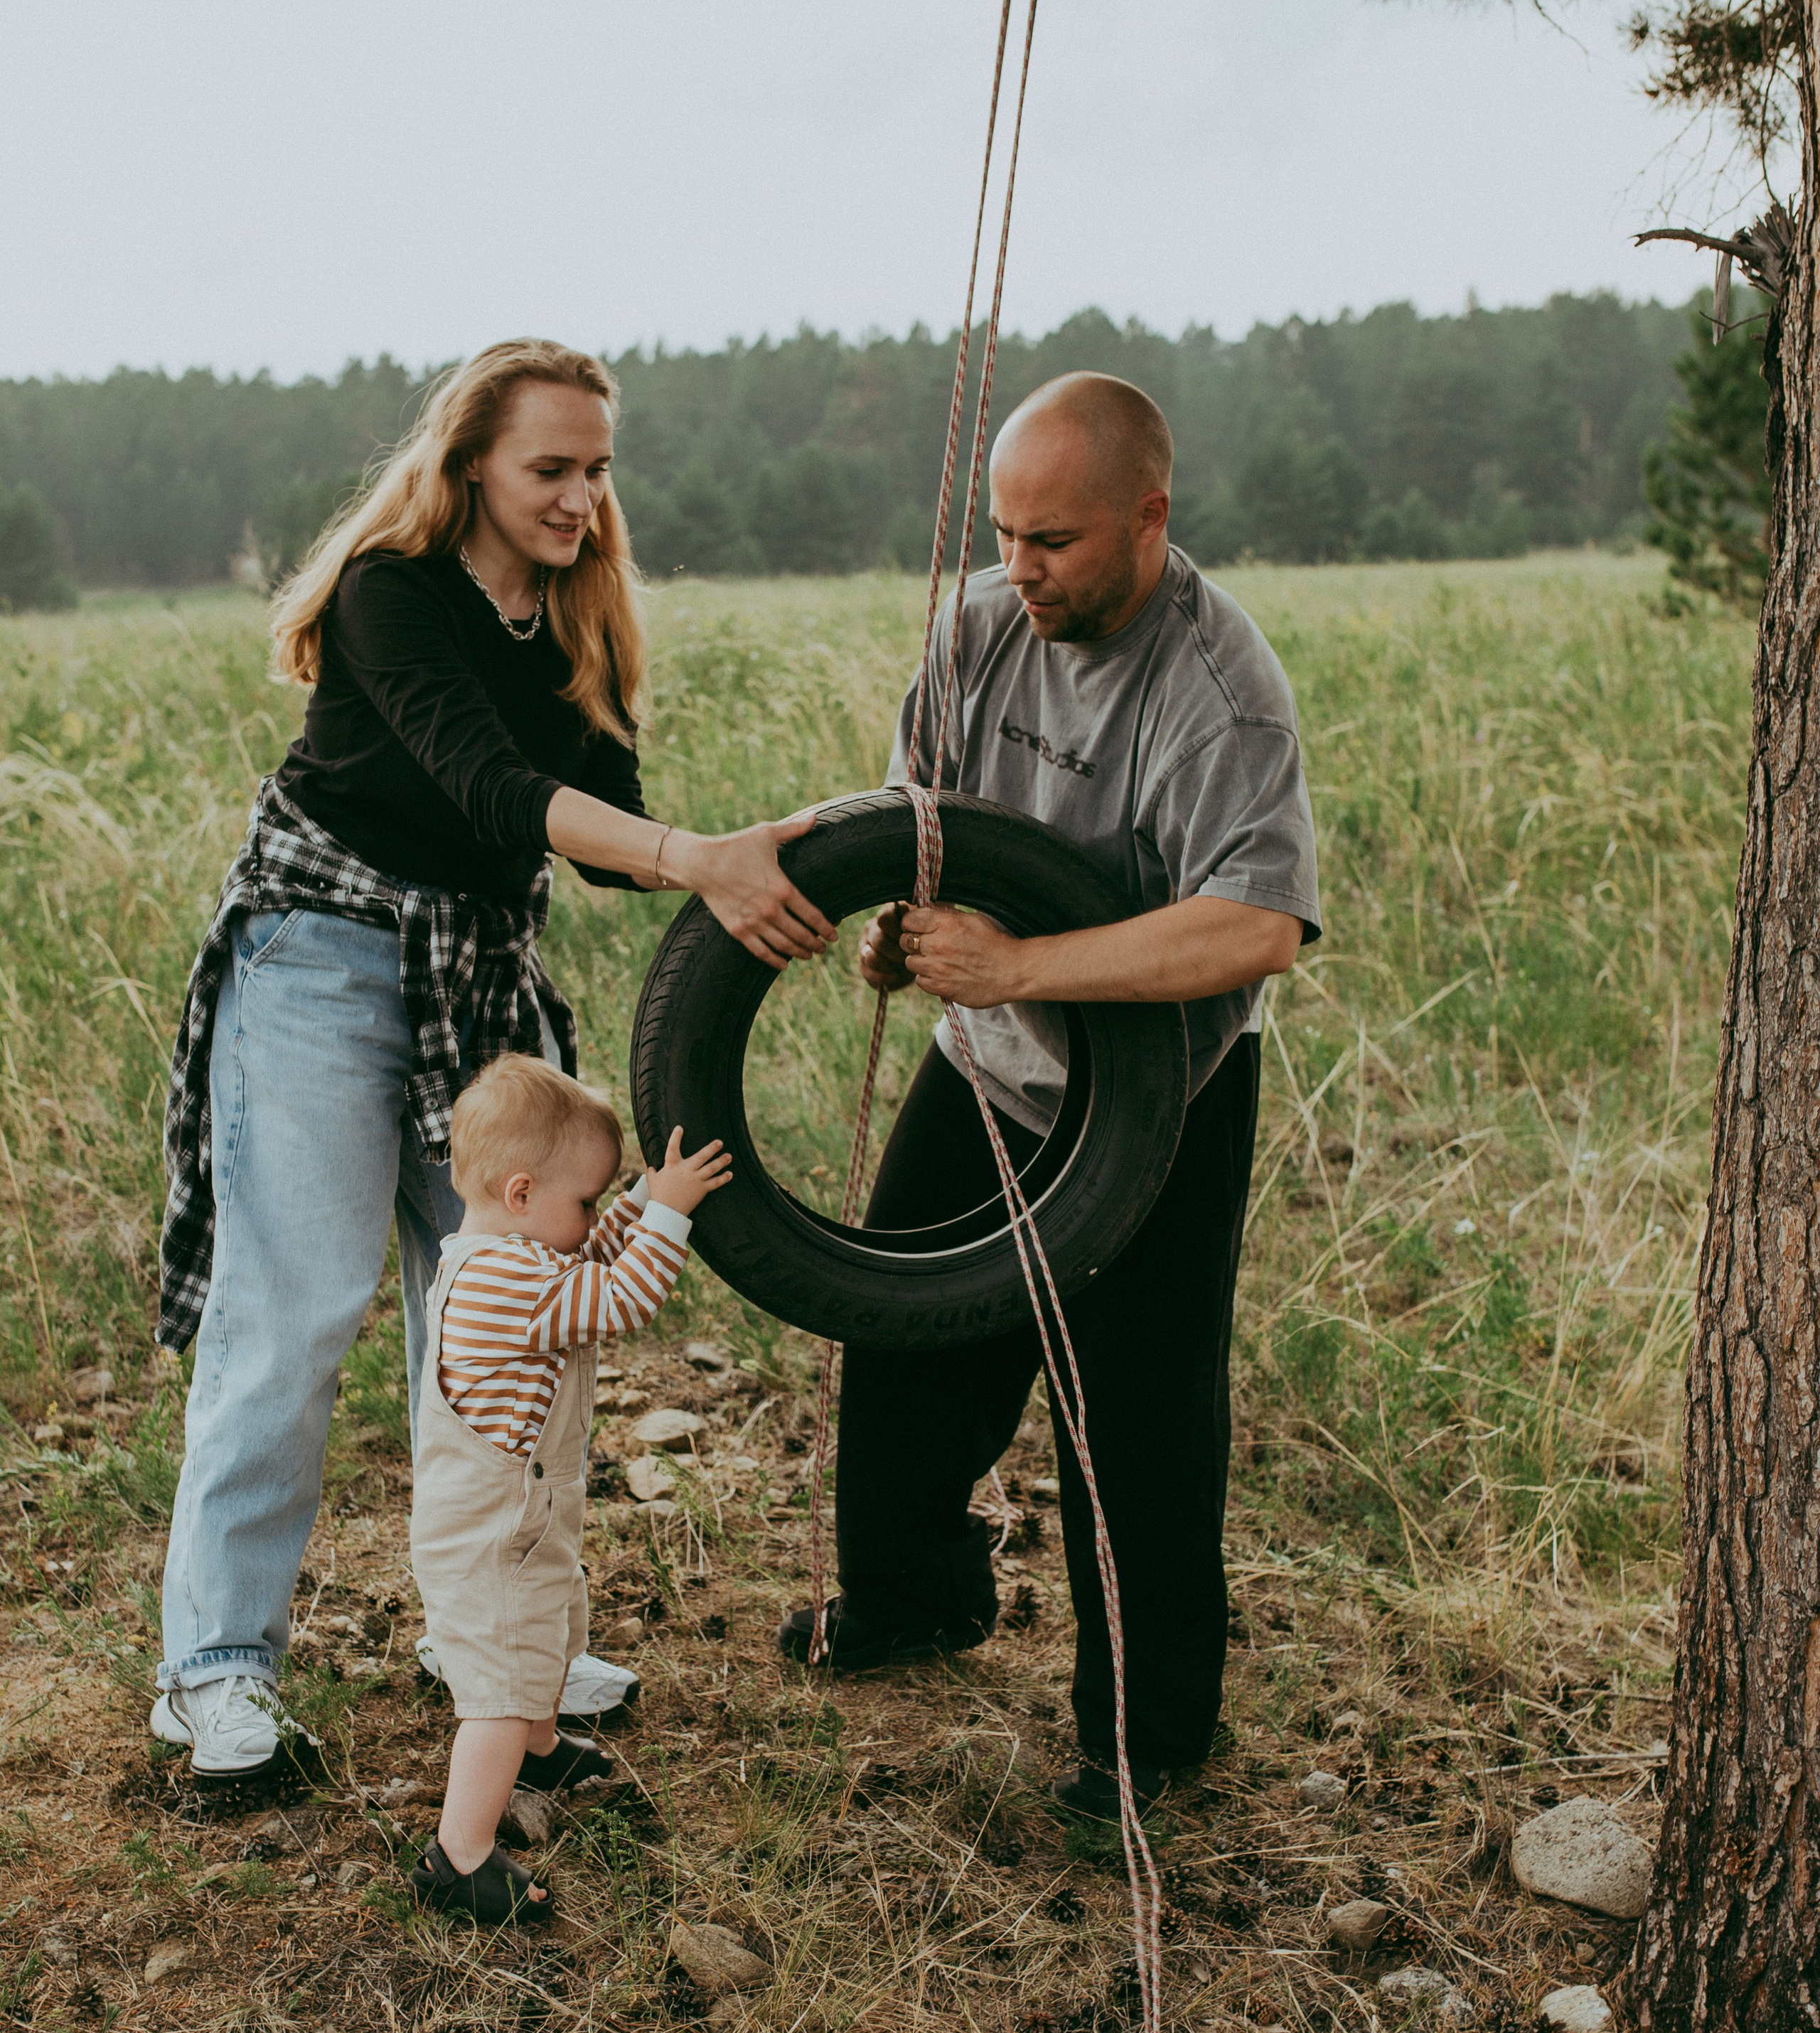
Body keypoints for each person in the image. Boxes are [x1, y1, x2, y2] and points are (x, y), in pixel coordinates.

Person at [154, 338, 834, 1784]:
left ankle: (484, 1641)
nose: (581, 497)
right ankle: (213, 1669)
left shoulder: (581, 616)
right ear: (468, 465)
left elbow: (606, 836)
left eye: (598, 469)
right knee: (296, 1313)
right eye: (550, 468)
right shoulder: (389, 592)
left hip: (479, 971)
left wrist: (768, 861)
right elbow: (494, 788)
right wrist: (695, 856)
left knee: (496, 1311)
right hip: (324, 952)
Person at [778, 372, 1321, 1820]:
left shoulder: (1218, 690)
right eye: (1004, 533)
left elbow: (1256, 927)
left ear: (1147, 518)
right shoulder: (975, 628)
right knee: (896, 1336)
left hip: (1162, 1098)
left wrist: (1022, 965)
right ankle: (913, 1599)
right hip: (990, 1065)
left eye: (1054, 542)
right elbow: (917, 819)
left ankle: (1147, 1740)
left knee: (1137, 1426)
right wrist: (902, 928)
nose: (1017, 569)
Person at [407, 1054, 728, 1926]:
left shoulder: (507, 1249)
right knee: (502, 1691)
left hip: (520, 1525)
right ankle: (459, 1854)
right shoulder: (507, 1282)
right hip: (489, 1539)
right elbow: (622, 1297)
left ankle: (541, 1750)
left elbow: (587, 1249)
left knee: (545, 1634)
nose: (594, 1217)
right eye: (587, 1199)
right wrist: (668, 1214)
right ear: (521, 1194)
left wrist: (641, 1197)